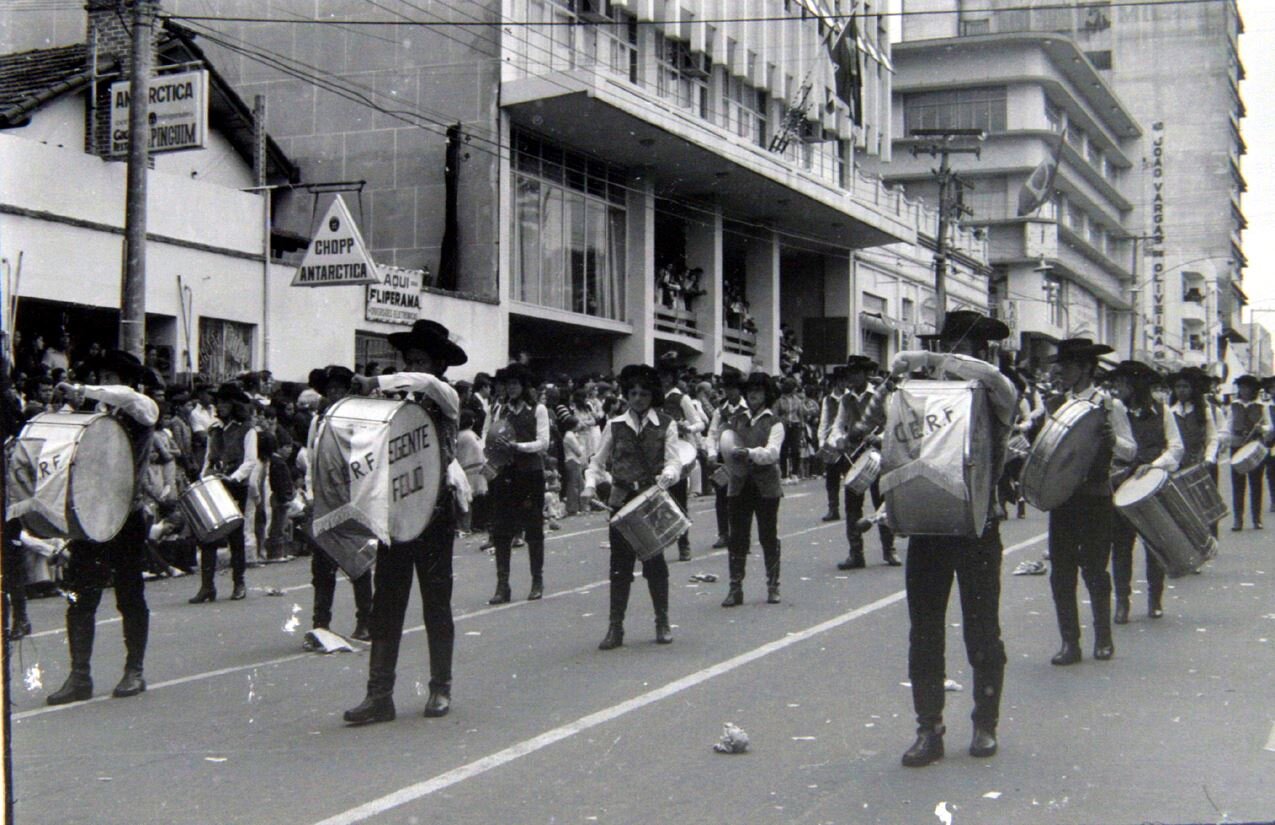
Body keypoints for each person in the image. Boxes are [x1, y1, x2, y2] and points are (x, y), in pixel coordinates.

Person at [861, 311, 1018, 767]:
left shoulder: (996, 394)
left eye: (965, 349)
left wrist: (929, 356)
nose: (956, 359)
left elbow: (992, 378)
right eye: (950, 347)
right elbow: (899, 452)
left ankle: (985, 722)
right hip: (929, 531)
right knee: (924, 633)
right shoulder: (920, 398)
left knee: (982, 631)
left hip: (977, 531)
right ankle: (928, 729)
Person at [343, 320, 467, 724]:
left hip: (435, 512)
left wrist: (377, 380)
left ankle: (440, 688)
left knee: (436, 601)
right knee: (387, 603)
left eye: (420, 360)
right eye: (408, 359)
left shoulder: (446, 394)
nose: (412, 367)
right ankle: (379, 695)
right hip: (396, 512)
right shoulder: (390, 403)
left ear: (439, 365)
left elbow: (426, 384)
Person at [45, 350, 159, 705]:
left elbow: (122, 396)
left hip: (127, 515)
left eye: (110, 377)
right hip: (91, 516)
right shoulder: (92, 415)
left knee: (129, 594)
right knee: (81, 597)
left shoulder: (143, 408)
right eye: (102, 377)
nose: (104, 384)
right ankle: (79, 676)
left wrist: (82, 388)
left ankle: (134, 670)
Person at [1035, 339, 1136, 667]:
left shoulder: (1109, 405)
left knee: (1094, 569)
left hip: (1095, 496)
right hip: (1063, 497)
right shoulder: (1056, 403)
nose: (1060, 370)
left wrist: (1112, 439)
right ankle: (1070, 643)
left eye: (1067, 365)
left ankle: (1103, 637)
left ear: (1086, 368)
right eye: (1060, 365)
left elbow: (1129, 451)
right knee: (1061, 572)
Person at [582, 364, 680, 649]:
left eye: (644, 393)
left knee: (655, 564)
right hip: (622, 500)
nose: (638, 398)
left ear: (652, 396)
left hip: (651, 499)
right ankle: (616, 627)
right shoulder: (614, 425)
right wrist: (590, 484)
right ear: (626, 394)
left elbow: (674, 459)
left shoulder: (666, 423)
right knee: (619, 567)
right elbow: (598, 462)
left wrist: (669, 474)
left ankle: (662, 621)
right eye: (633, 393)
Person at [301, 365, 374, 644]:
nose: (334, 395)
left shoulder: (359, 422)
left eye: (339, 390)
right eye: (330, 390)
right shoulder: (318, 422)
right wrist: (310, 495)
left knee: (357, 562)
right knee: (321, 567)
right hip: (323, 502)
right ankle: (321, 623)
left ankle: (365, 620)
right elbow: (311, 460)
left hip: (351, 500)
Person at [1107, 361, 1183, 624]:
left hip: (1152, 486)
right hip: (1122, 486)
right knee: (1121, 546)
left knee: (1155, 545)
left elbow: (1176, 448)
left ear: (1135, 385)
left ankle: (1155, 599)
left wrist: (1155, 464)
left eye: (1122, 382)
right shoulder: (1115, 413)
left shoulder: (1163, 412)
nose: (1117, 388)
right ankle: (1122, 603)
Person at [720, 372, 786, 607]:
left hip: (766, 485)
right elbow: (722, 438)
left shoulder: (775, 422)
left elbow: (772, 453)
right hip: (739, 484)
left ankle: (773, 586)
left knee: (768, 535)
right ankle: (735, 588)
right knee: (737, 536)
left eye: (758, 390)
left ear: (767, 394)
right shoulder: (736, 419)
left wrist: (749, 453)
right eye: (750, 391)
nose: (753, 394)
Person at [485, 362, 549, 603]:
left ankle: (537, 580)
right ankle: (503, 585)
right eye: (508, 383)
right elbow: (486, 436)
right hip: (504, 474)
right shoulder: (497, 409)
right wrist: (489, 460)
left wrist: (518, 447)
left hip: (530, 473)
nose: (511, 388)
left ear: (524, 386)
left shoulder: (538, 410)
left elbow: (543, 443)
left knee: (533, 527)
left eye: (515, 383)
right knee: (501, 530)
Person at [188, 383, 258, 604]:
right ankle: (207, 586)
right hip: (215, 484)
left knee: (235, 536)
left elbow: (250, 461)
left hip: (235, 485)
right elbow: (209, 458)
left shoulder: (247, 429)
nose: (222, 406)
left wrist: (234, 477)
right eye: (219, 402)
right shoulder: (214, 428)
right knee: (208, 534)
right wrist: (203, 478)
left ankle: (239, 582)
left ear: (235, 404)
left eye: (226, 402)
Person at [829, 356, 898, 569]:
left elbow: (893, 424)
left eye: (856, 373)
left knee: (881, 503)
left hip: (878, 455)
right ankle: (855, 553)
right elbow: (838, 426)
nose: (851, 377)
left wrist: (878, 439)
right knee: (852, 507)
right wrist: (837, 439)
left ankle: (889, 550)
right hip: (853, 456)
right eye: (849, 373)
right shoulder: (846, 399)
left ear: (864, 374)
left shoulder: (881, 395)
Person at [658, 360, 704, 560]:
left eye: (666, 375)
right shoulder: (653, 397)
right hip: (657, 452)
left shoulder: (681, 398)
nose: (662, 379)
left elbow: (700, 423)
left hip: (677, 451)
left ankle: (684, 544)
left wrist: (688, 428)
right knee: (658, 501)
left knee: (679, 500)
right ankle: (657, 546)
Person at [706, 369, 746, 549]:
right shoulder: (720, 411)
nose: (730, 393)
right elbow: (712, 433)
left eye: (733, 389)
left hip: (743, 457)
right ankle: (723, 534)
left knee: (742, 497)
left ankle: (741, 533)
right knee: (721, 497)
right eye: (727, 389)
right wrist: (711, 453)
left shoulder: (748, 409)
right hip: (724, 457)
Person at [1227, 374, 1270, 531]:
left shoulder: (1261, 406)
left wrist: (1262, 429)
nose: (1243, 391)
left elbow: (1269, 426)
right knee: (1238, 485)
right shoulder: (1234, 405)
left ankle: (1256, 518)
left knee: (1256, 483)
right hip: (1237, 446)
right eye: (1241, 387)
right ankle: (1238, 519)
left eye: (1247, 387)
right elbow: (1228, 426)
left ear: (1254, 390)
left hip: (1254, 448)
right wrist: (1227, 439)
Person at [817, 367, 848, 521]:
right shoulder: (827, 400)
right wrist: (822, 443)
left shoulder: (850, 398)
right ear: (836, 382)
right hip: (831, 442)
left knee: (850, 477)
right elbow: (823, 422)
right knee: (832, 478)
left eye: (845, 380)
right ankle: (833, 508)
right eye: (841, 380)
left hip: (847, 441)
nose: (844, 383)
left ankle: (852, 509)